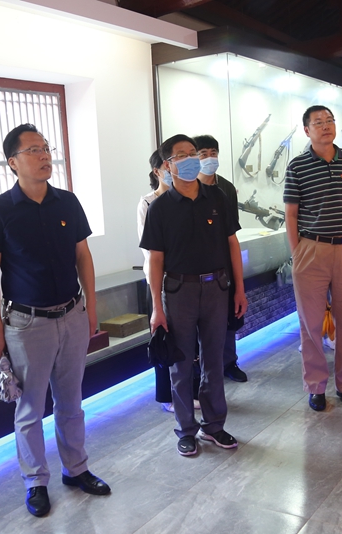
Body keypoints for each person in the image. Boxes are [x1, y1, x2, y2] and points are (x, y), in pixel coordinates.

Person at [0, 124, 109, 518]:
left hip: (71, 315)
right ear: (12, 162)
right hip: (26, 324)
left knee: (71, 401)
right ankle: (35, 481)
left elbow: (83, 256)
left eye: (46, 148)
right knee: (30, 409)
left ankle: (76, 468)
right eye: (33, 150)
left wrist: (91, 307)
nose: (44, 155)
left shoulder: (67, 202)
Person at [140, 134, 248, 457]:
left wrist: (239, 289)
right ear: (168, 165)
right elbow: (155, 260)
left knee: (214, 359)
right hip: (179, 292)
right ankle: (186, 429)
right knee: (181, 364)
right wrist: (156, 307)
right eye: (182, 155)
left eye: (193, 153)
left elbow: (232, 244)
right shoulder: (159, 208)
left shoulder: (217, 198)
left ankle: (214, 425)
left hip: (217, 288)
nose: (191, 159)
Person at [284, 105, 342, 411]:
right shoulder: (298, 166)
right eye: (318, 122)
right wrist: (297, 253)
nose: (326, 126)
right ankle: (316, 386)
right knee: (311, 324)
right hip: (312, 249)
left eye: (330, 121)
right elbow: (291, 213)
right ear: (307, 130)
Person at [194, 134, 247, 383]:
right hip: (195, 266)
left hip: (223, 262)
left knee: (228, 315)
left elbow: (231, 232)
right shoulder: (187, 186)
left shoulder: (226, 188)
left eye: (213, 153)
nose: (209, 158)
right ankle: (201, 368)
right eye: (203, 154)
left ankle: (229, 362)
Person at [138, 151, 176, 413]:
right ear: (157, 171)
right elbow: (148, 248)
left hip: (184, 280)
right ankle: (166, 396)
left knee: (187, 340)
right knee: (163, 337)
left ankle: (188, 390)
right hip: (159, 280)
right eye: (166, 164)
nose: (170, 168)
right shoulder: (148, 202)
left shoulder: (184, 198)